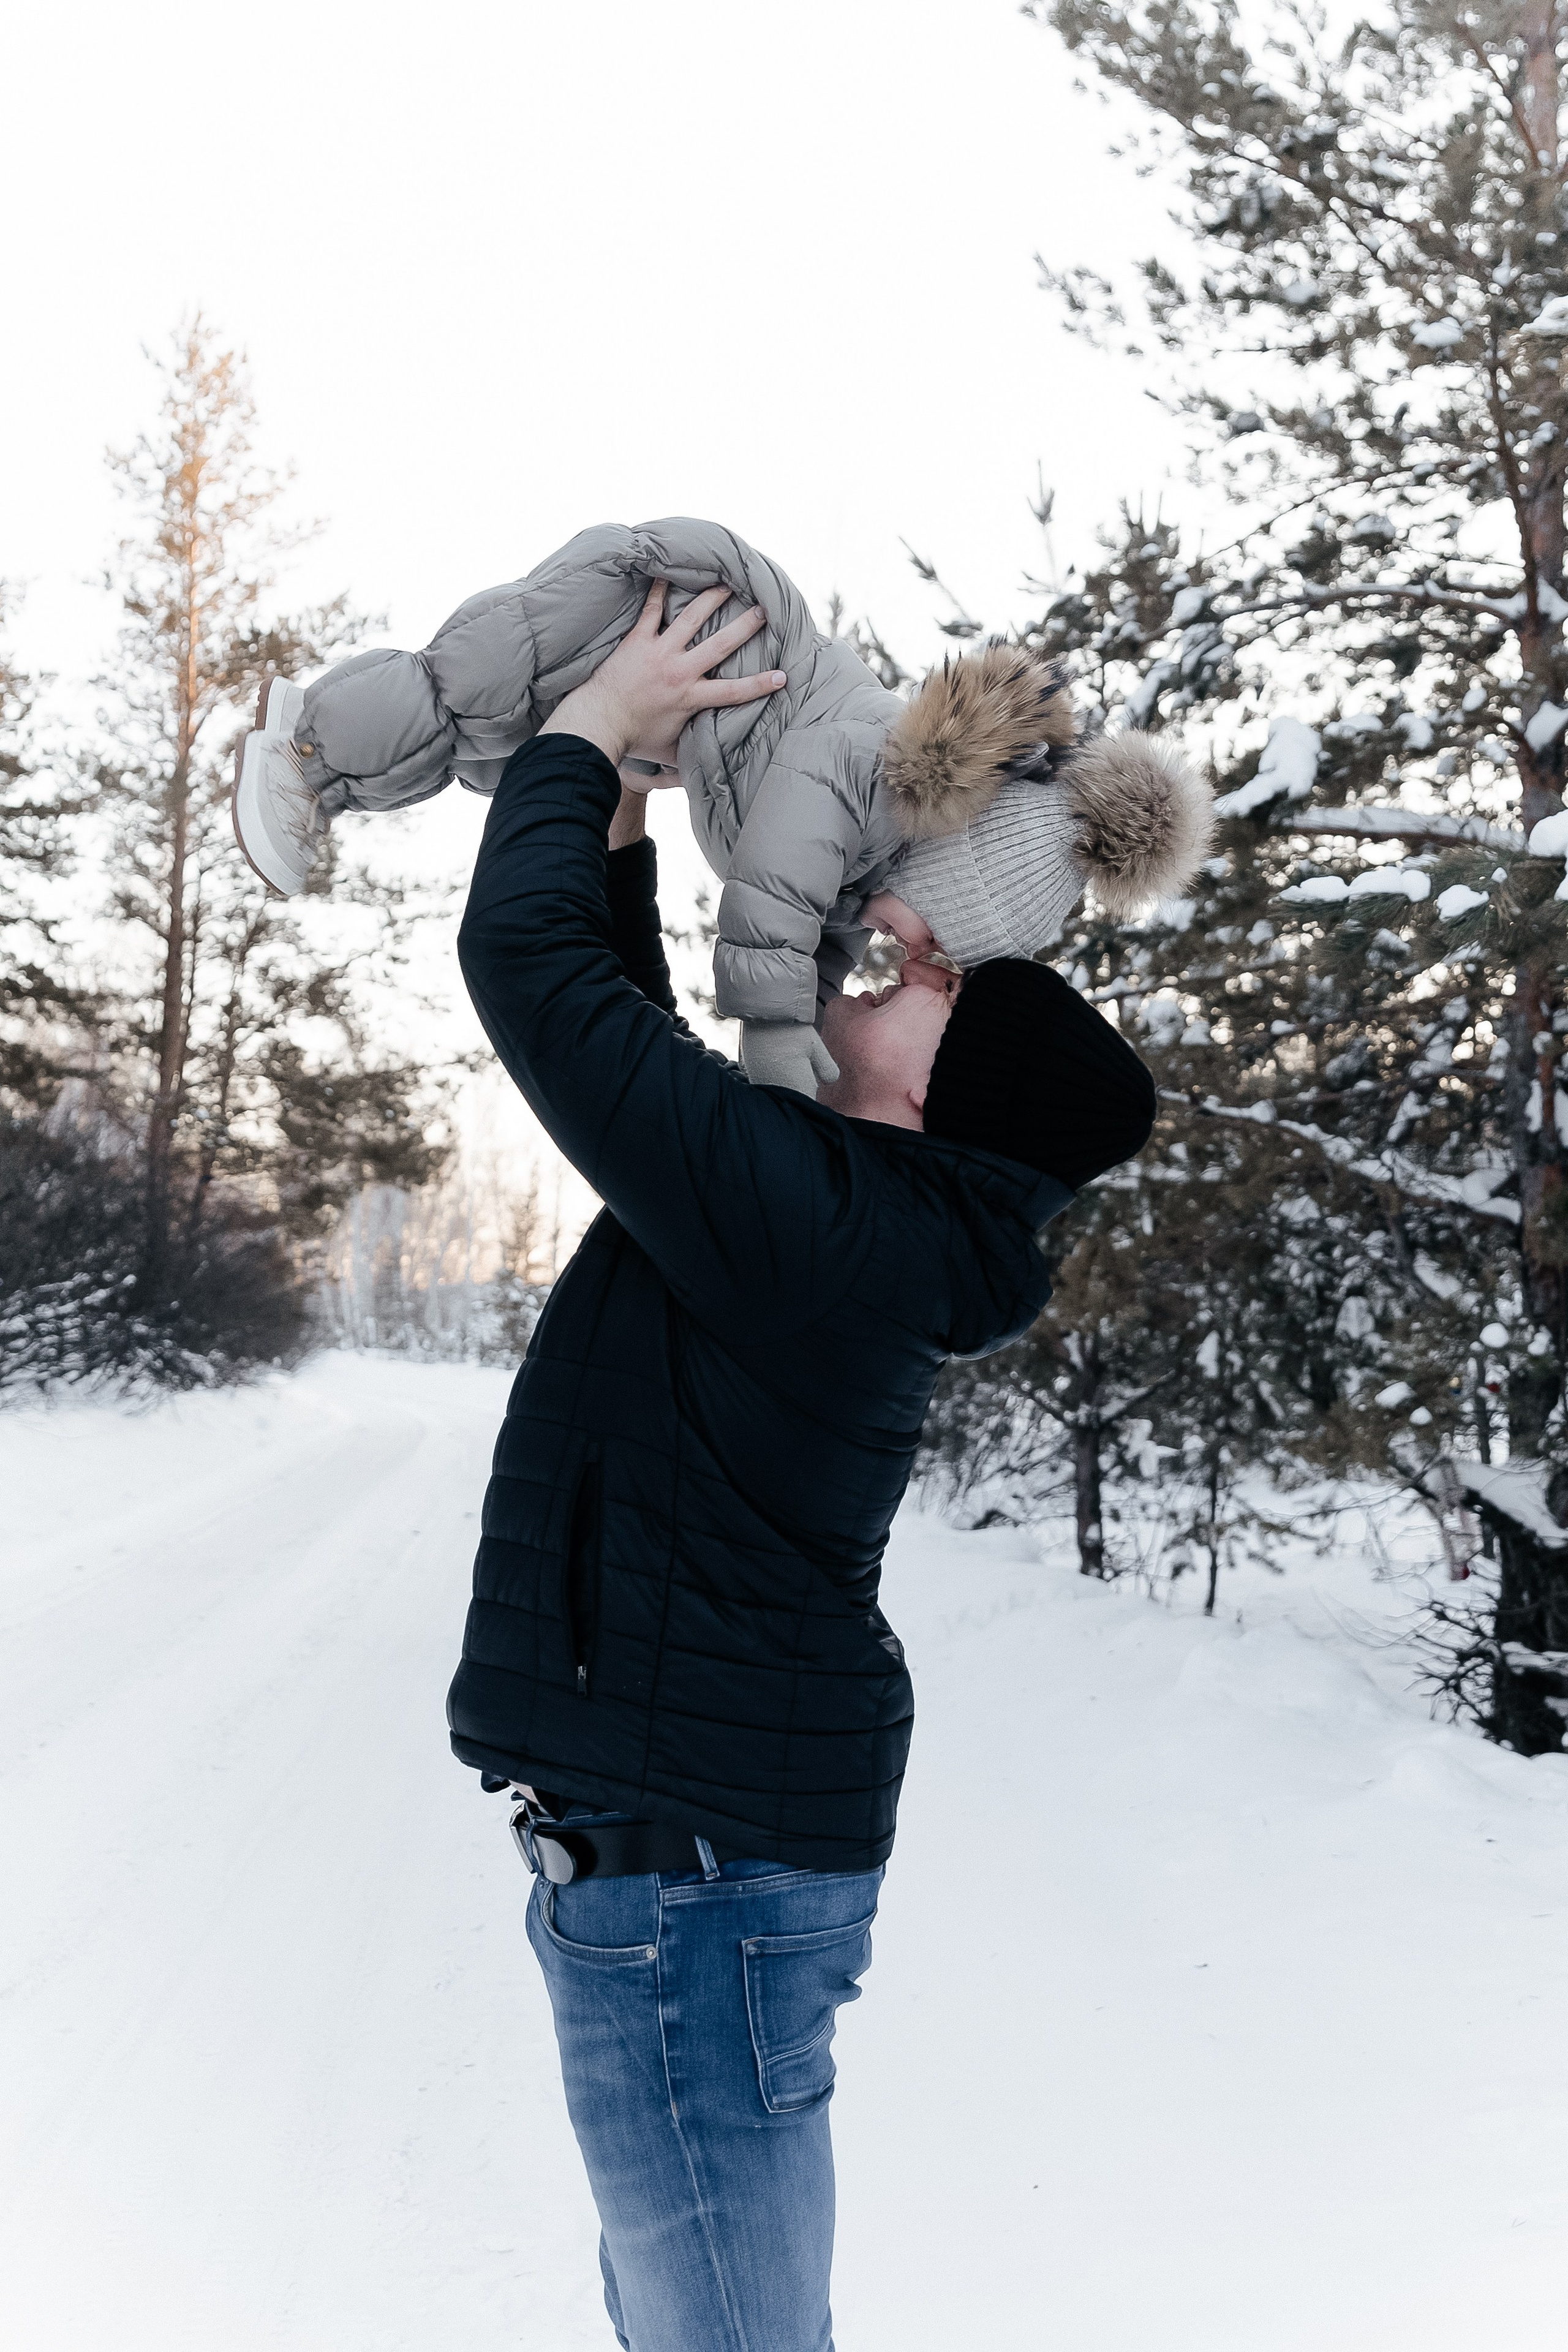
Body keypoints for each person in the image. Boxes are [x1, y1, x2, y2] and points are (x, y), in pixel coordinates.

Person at [447, 585, 1158, 2352]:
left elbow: (536, 990)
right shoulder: (853, 1211)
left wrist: (588, 728)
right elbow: (634, 1056)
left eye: (933, 994)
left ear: (943, 1098)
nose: (895, 967)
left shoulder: (835, 1229)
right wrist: (612, 823)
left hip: (692, 1882)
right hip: (693, 1868)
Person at [232, 517, 1209, 1095]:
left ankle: (332, 783)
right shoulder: (879, 767)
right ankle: (307, 748)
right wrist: (774, 1025)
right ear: (952, 859)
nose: (915, 958)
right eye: (937, 940)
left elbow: (814, 934)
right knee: (462, 692)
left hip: (685, 687)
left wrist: (816, 1016)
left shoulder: (874, 866)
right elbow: (782, 873)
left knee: (483, 750)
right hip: (691, 609)